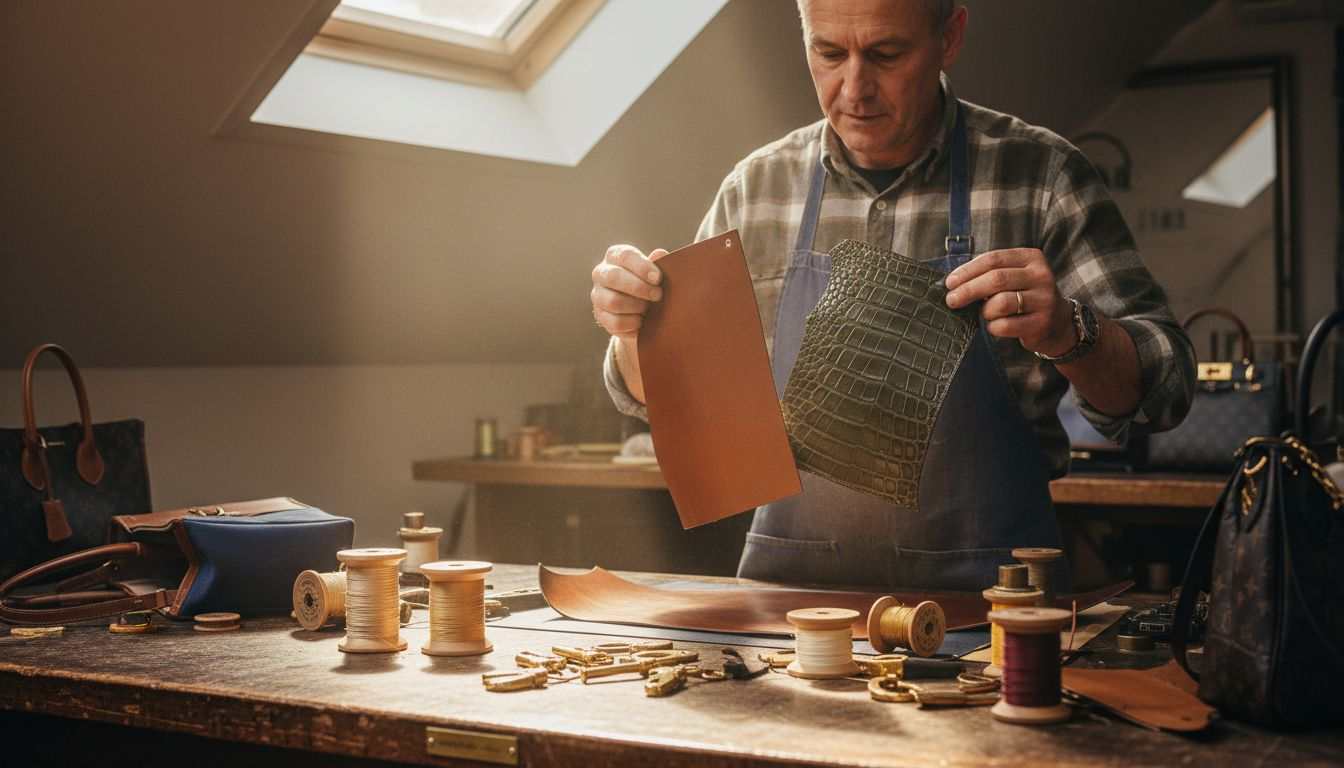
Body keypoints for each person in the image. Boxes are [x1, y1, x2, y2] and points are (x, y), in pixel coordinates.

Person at [589, 0, 1195, 590]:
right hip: (792, 619)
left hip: (993, 618)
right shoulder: (757, 191)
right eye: (828, 52)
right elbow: (685, 407)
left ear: (949, 37)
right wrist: (636, 332)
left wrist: (1072, 331)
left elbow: (1166, 388)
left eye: (885, 53)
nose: (854, 88)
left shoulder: (1042, 178)